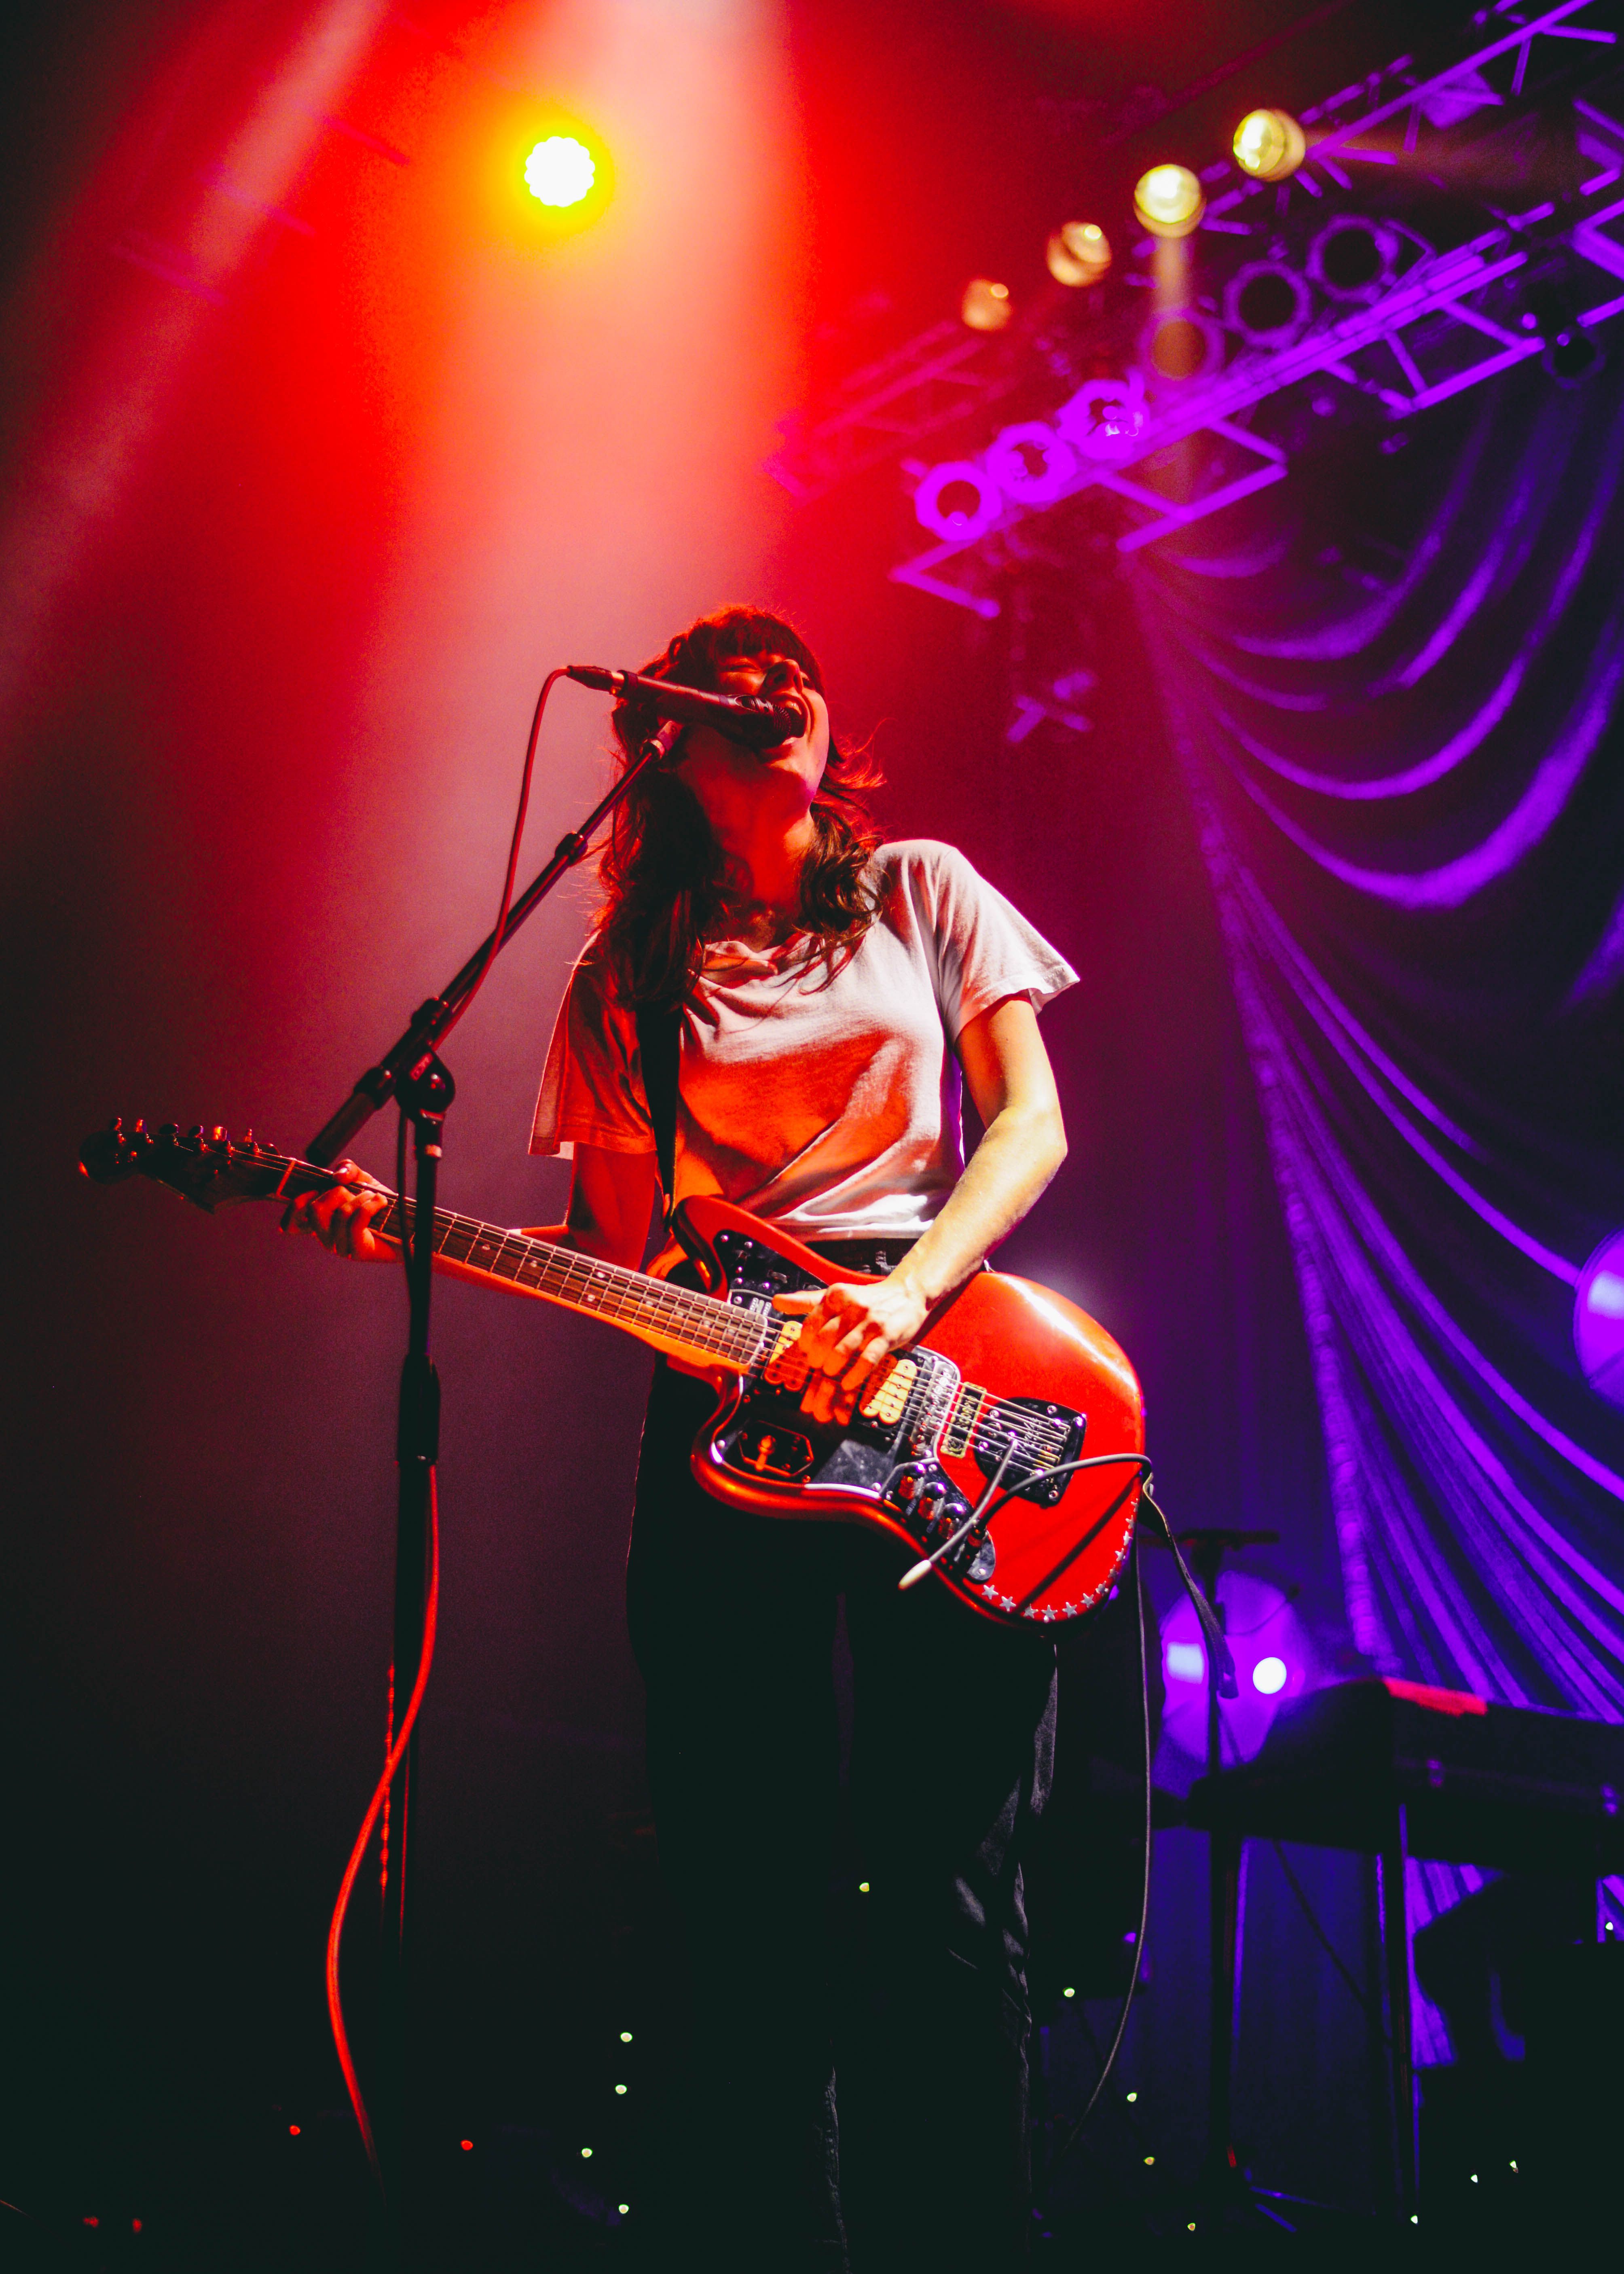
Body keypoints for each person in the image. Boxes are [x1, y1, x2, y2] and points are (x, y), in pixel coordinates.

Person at [292, 607, 1077, 2270]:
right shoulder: (621, 982)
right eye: (730, 684)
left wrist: (908, 1294)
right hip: (732, 1419)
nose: (774, 690)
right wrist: (424, 1237)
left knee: (948, 1897)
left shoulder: (925, 891)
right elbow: (644, 1263)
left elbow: (1030, 1123)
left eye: (791, 665)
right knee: (744, 1900)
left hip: (935, 1360)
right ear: (670, 743)